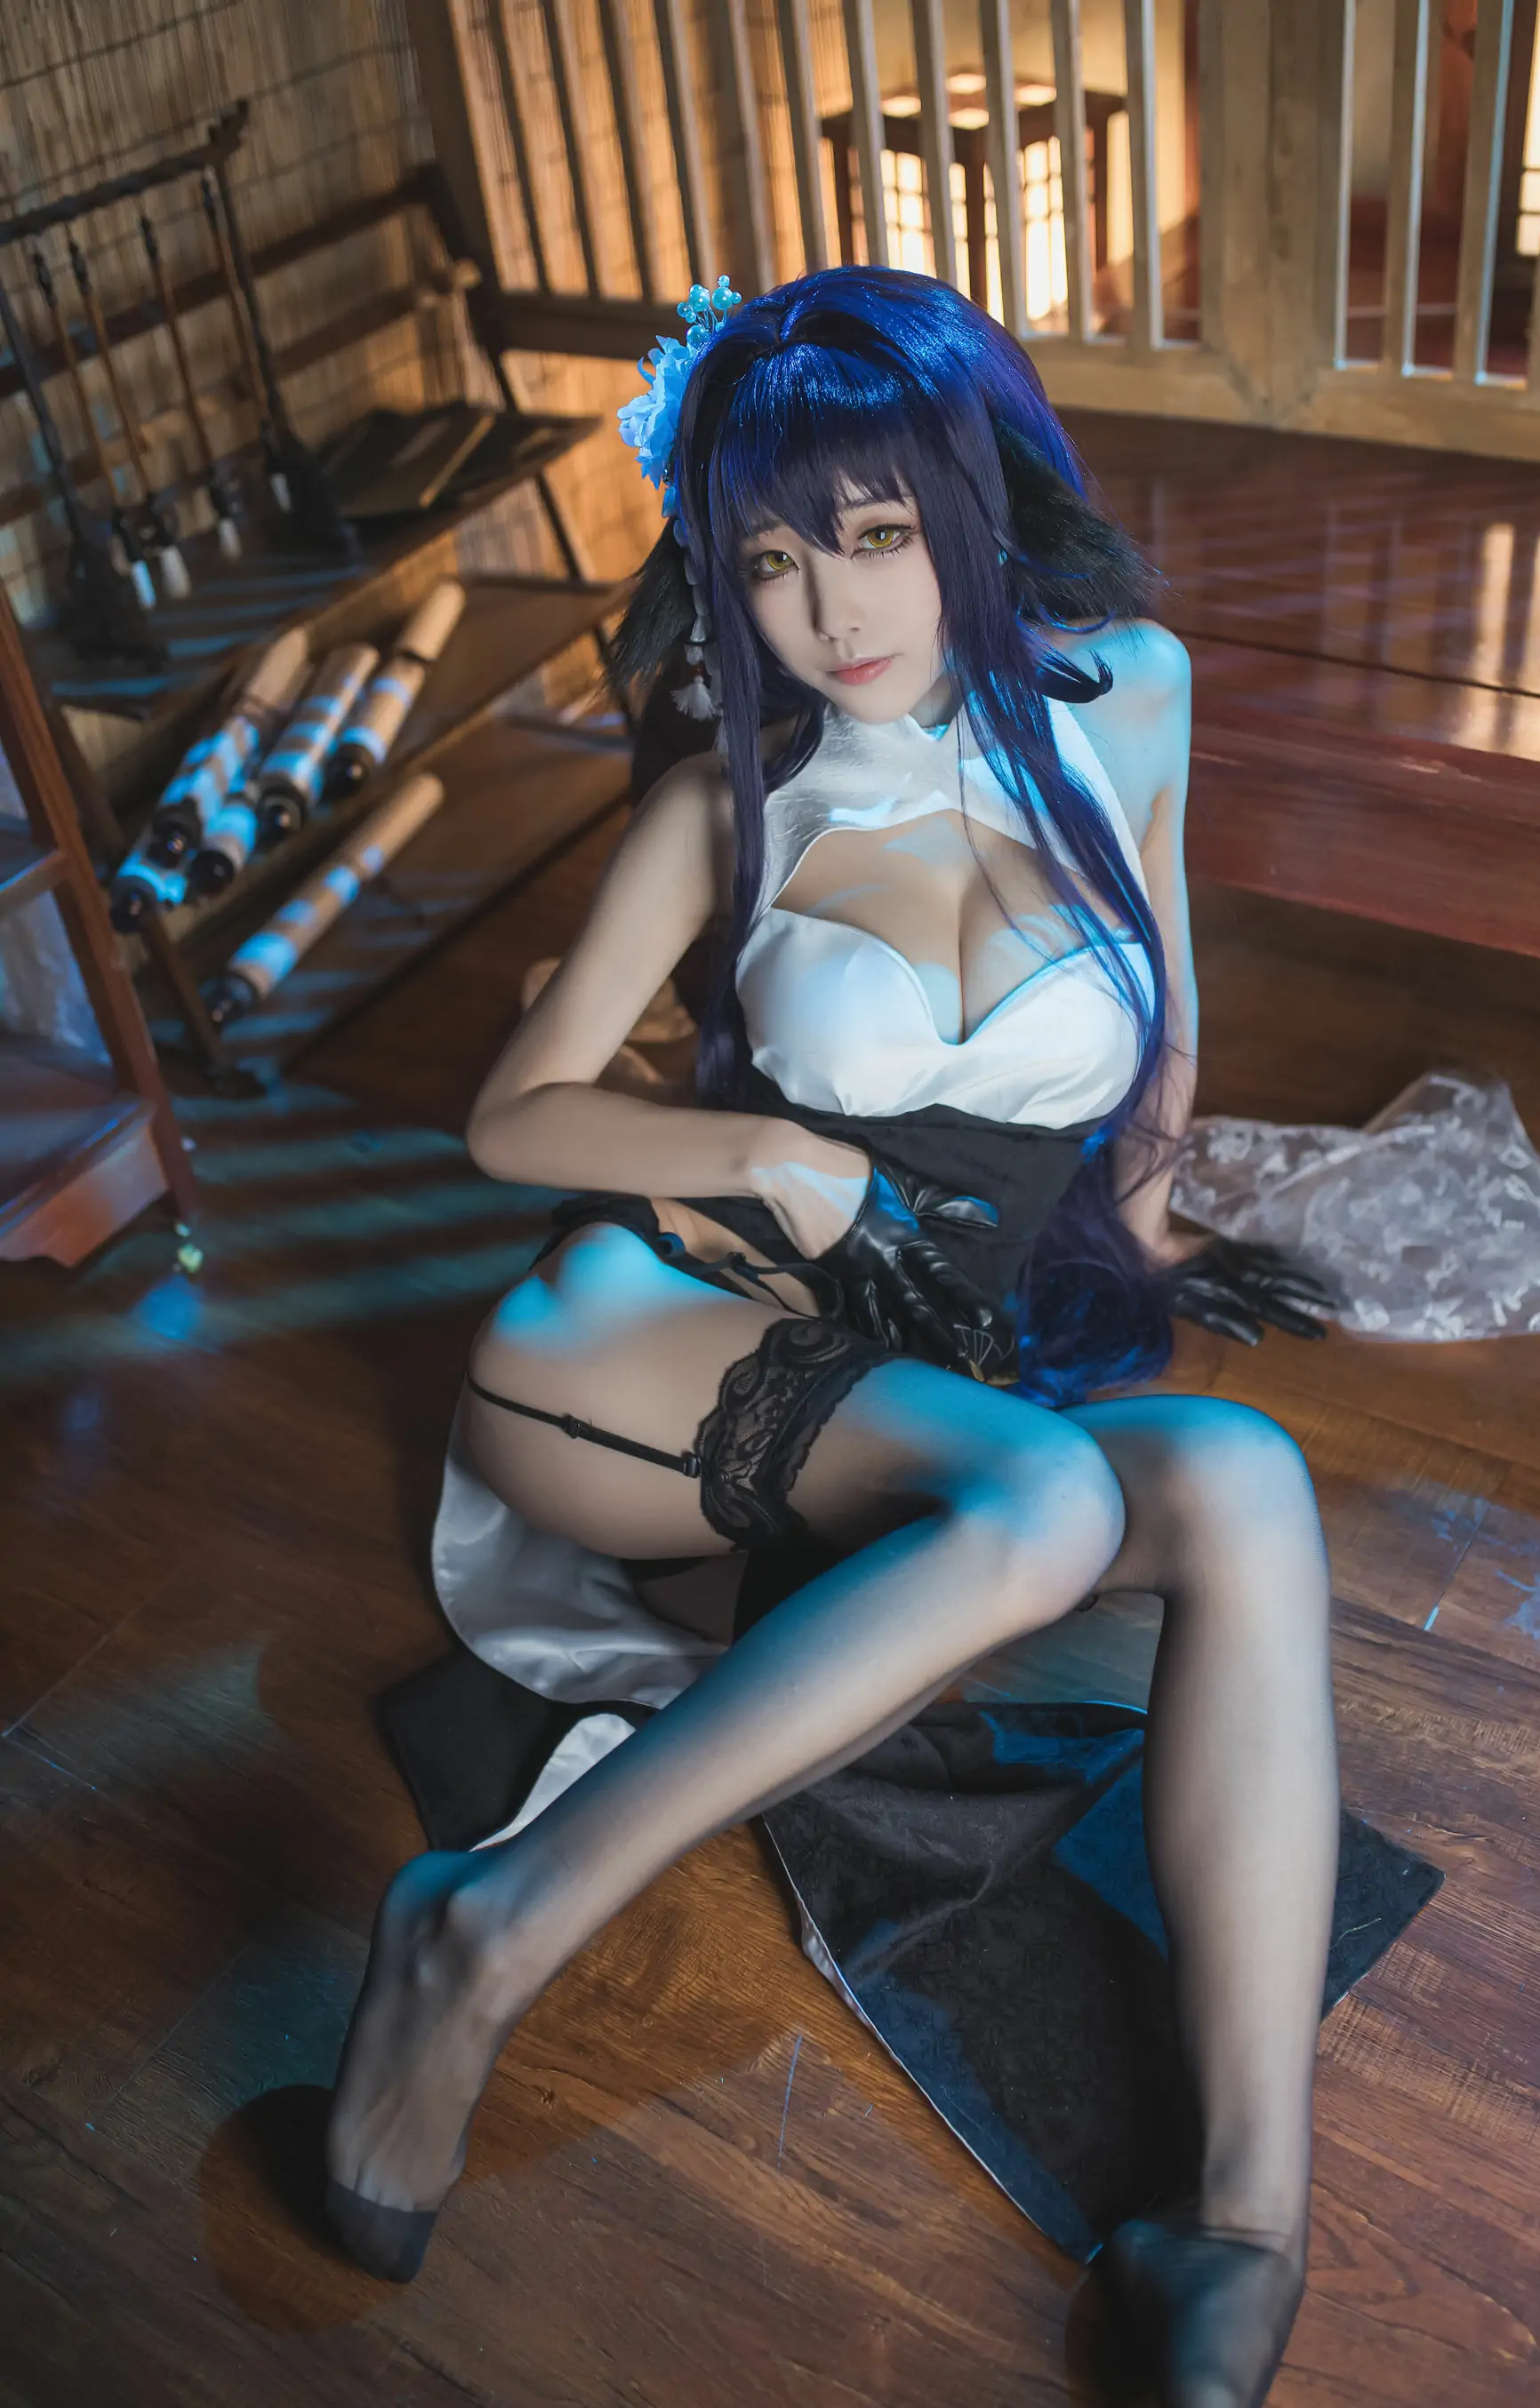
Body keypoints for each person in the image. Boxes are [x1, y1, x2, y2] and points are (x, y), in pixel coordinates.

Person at [325, 268, 1339, 2408]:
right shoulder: (733, 801)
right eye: (770, 559)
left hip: (907, 1376)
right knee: (1046, 1497)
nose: (827, 609)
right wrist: (764, 1152)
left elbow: (1163, 1000)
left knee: (1247, 1482)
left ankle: (1246, 2217)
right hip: (626, 1347)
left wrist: (1147, 1234)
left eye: (874, 532)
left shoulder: (1132, 693)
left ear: (973, 497)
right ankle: (482, 1929)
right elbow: (515, 1115)